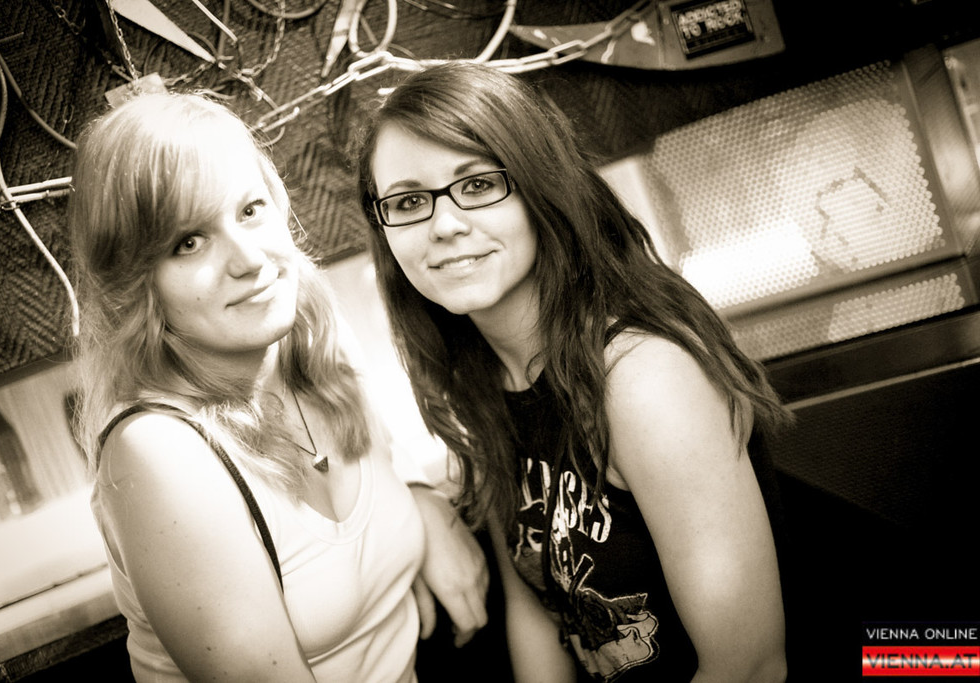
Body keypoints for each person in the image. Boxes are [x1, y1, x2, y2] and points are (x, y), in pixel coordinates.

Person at [355, 62, 792, 682]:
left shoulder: (641, 377)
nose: (444, 224)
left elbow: (750, 667)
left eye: (478, 184)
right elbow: (538, 613)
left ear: (540, 185)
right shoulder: (486, 383)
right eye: (407, 202)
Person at [67, 90, 487, 682]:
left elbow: (384, 472)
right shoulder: (159, 451)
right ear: (136, 284)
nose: (249, 259)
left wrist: (424, 503)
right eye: (189, 242)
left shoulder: (309, 337)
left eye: (250, 210)